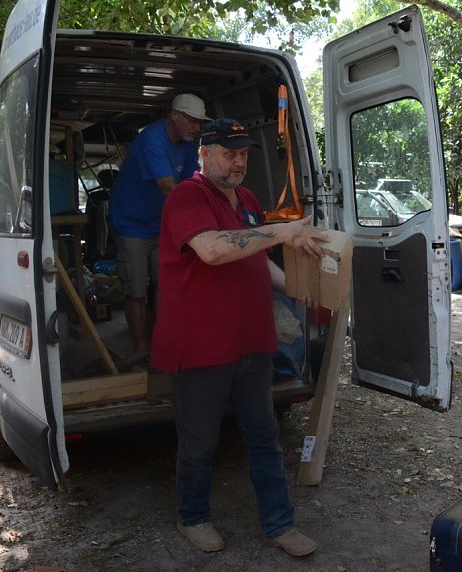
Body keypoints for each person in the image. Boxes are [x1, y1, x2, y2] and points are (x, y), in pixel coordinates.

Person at [151, 118, 328, 556]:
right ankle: (193, 516)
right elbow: (212, 249)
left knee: (264, 436)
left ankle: (279, 524)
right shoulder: (187, 197)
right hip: (201, 347)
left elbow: (254, 258)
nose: (238, 161)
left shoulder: (247, 198)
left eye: (244, 153)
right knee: (200, 441)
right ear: (204, 153)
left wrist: (298, 288)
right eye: (229, 153)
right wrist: (281, 230)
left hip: (251, 341)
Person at [109, 93, 210, 354]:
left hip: (162, 224)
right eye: (192, 121)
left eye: (200, 122)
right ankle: (141, 348)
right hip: (132, 224)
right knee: (136, 290)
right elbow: (168, 187)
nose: (197, 127)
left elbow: (191, 185)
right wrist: (200, 220)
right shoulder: (151, 139)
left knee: (165, 285)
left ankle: (163, 342)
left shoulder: (190, 144)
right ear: (174, 116)